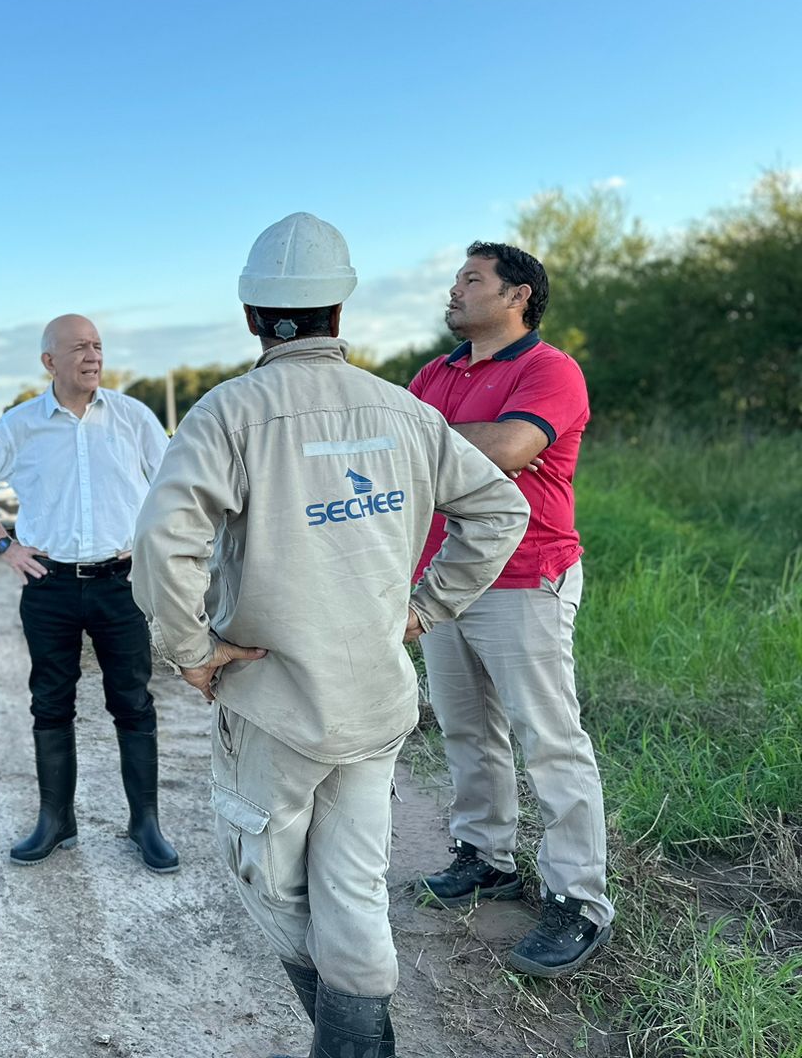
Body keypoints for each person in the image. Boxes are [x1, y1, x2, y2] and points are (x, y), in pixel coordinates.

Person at [132, 213, 529, 1058]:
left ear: (251, 316)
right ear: (339, 314)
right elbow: (502, 508)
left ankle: (351, 1041)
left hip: (274, 704)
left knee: (271, 885)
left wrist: (191, 651)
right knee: (349, 888)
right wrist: (429, 606)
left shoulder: (228, 414)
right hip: (374, 701)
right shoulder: (405, 413)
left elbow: (164, 546)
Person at [409, 242, 614, 975]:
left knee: (550, 741)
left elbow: (508, 446)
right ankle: (486, 857)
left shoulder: (548, 369)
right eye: (456, 278)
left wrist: (417, 443)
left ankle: (580, 901)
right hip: (444, 580)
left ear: (518, 294)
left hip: (527, 579)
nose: (454, 290)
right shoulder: (435, 373)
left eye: (472, 279)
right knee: (467, 731)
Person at [0, 314, 179, 873]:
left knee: (133, 701)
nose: (92, 355)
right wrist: (6, 546)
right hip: (48, 585)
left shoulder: (132, 416)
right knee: (50, 703)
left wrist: (154, 548)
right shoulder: (21, 424)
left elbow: (173, 484)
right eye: (79, 347)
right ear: (49, 361)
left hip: (120, 585)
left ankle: (144, 822)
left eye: (98, 346)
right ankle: (56, 821)